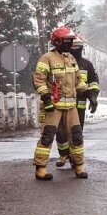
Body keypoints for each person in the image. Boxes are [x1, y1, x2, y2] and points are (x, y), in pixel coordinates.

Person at [32, 26, 89, 180]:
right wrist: (46, 98)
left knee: (77, 137)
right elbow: (39, 80)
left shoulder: (71, 59)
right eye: (67, 41)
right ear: (57, 42)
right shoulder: (47, 58)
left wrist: (88, 92)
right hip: (53, 107)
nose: (70, 44)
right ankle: (40, 169)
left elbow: (79, 81)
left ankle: (78, 166)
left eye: (71, 41)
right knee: (47, 136)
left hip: (71, 108)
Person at [56, 34, 99, 168]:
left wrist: (92, 97)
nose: (75, 49)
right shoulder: (59, 61)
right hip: (61, 105)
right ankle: (64, 154)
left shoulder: (87, 64)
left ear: (82, 48)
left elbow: (93, 82)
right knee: (61, 132)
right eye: (73, 46)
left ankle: (75, 158)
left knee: (76, 133)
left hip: (78, 106)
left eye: (78, 47)